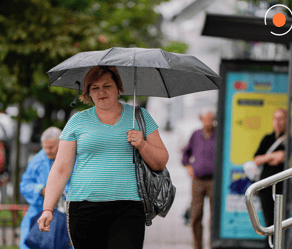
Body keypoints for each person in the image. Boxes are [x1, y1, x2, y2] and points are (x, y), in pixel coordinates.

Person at [37, 66, 169, 249]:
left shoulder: (140, 117)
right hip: (83, 208)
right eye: (95, 88)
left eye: (107, 85)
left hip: (128, 207)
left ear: (118, 87)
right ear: (88, 93)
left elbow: (161, 161)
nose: (101, 92)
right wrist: (47, 209)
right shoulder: (77, 121)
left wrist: (142, 144)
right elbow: (61, 169)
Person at [19, 127, 72, 249]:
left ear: (61, 144)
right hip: (38, 213)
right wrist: (41, 189)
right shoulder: (37, 161)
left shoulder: (72, 158)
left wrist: (62, 192)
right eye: (45, 147)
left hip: (66, 215)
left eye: (51, 147)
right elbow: (25, 185)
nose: (47, 151)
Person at [253, 109, 292, 233]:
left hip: (282, 188)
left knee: (281, 222)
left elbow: (281, 158)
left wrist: (267, 157)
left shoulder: (291, 140)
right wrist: (272, 156)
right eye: (275, 118)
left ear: (287, 121)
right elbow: (257, 159)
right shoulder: (267, 138)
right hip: (265, 187)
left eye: (281, 118)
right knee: (269, 223)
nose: (277, 122)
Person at [181, 108, 216, 249]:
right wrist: (188, 167)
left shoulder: (219, 134)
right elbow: (185, 154)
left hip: (214, 181)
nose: (208, 121)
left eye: (211, 118)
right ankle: (197, 246)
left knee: (214, 217)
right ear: (201, 119)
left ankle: (213, 244)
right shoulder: (195, 134)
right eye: (205, 118)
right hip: (198, 180)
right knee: (196, 215)